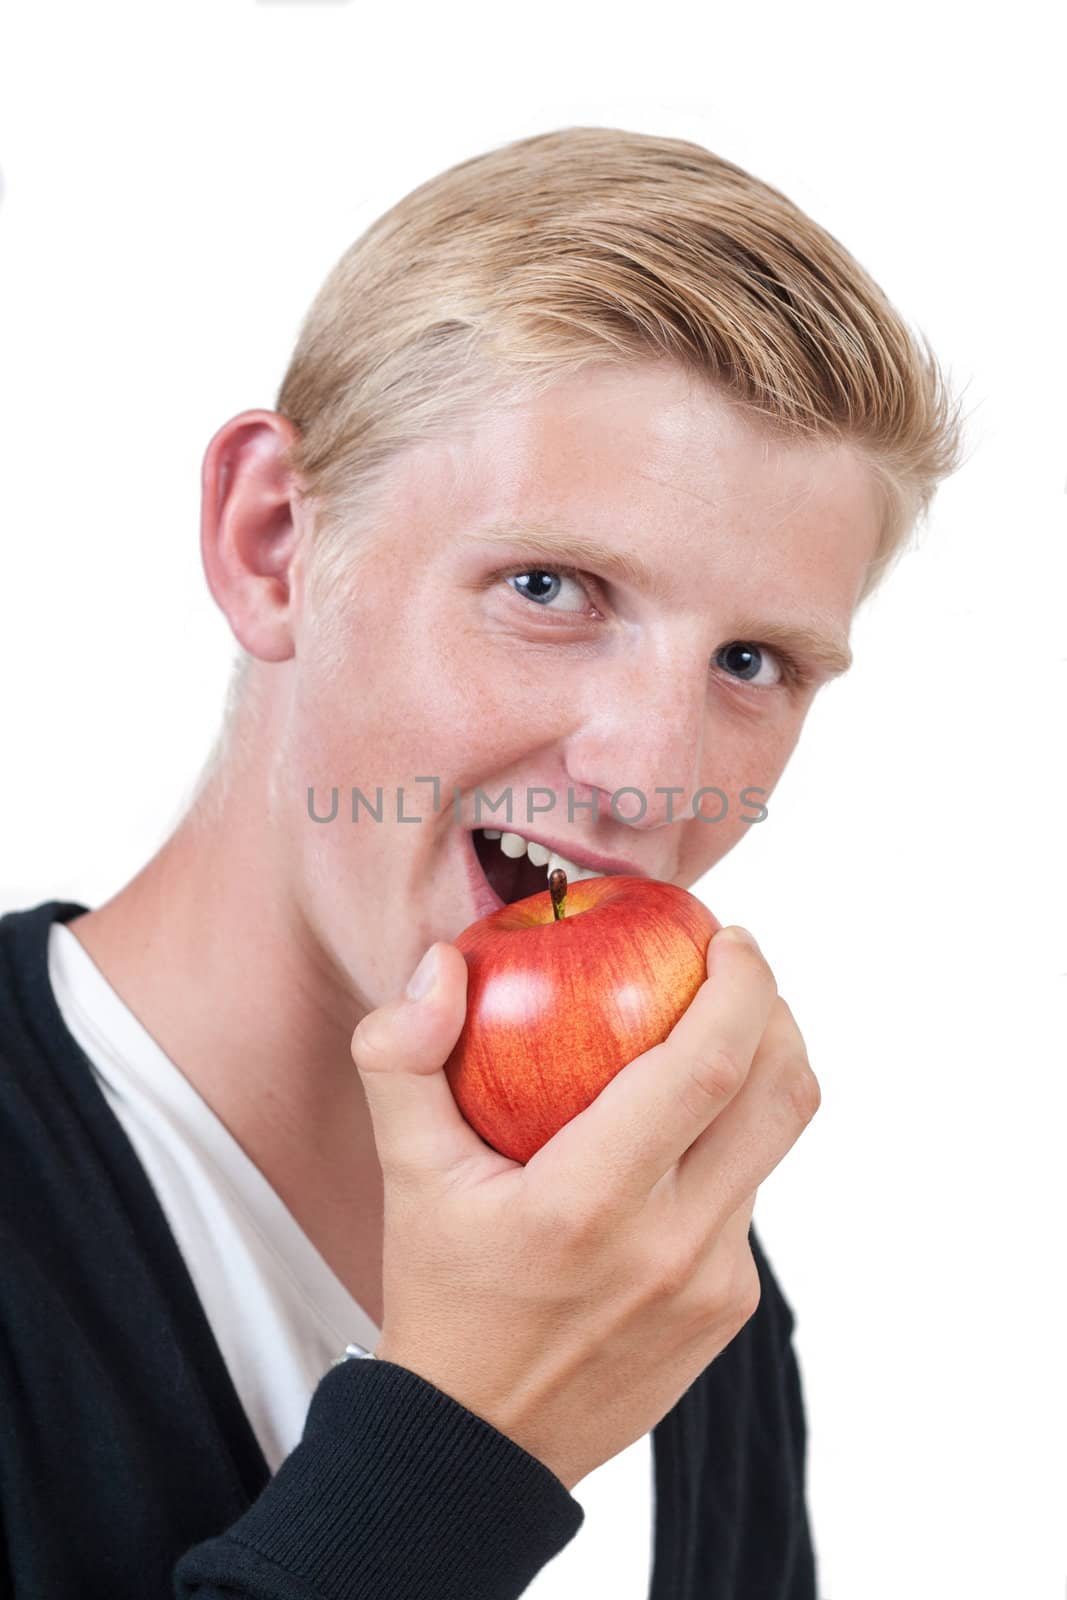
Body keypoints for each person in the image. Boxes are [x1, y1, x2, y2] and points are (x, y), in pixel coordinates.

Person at [0, 125, 965, 1598]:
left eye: (754, 660)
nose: (652, 773)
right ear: (273, 545)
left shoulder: (675, 1282)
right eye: (548, 588)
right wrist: (462, 1442)